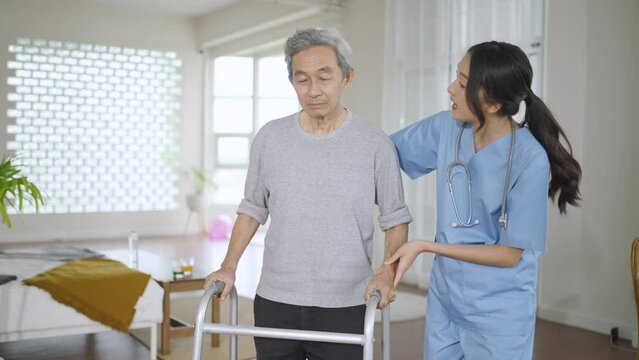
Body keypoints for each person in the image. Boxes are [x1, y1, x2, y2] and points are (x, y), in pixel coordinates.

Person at [203, 27, 412, 360]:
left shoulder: (374, 143)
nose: (313, 90)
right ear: (292, 82)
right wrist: (228, 266)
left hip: (345, 301)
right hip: (276, 298)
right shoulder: (270, 139)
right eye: (302, 80)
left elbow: (395, 217)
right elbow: (253, 207)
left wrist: (386, 273)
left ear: (347, 76)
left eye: (324, 77)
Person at [385, 41, 582, 360]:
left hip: (498, 312)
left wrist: (425, 245)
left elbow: (508, 254)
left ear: (491, 103)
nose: (450, 88)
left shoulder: (529, 159)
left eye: (463, 83)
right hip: (446, 301)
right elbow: (383, 154)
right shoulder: (446, 128)